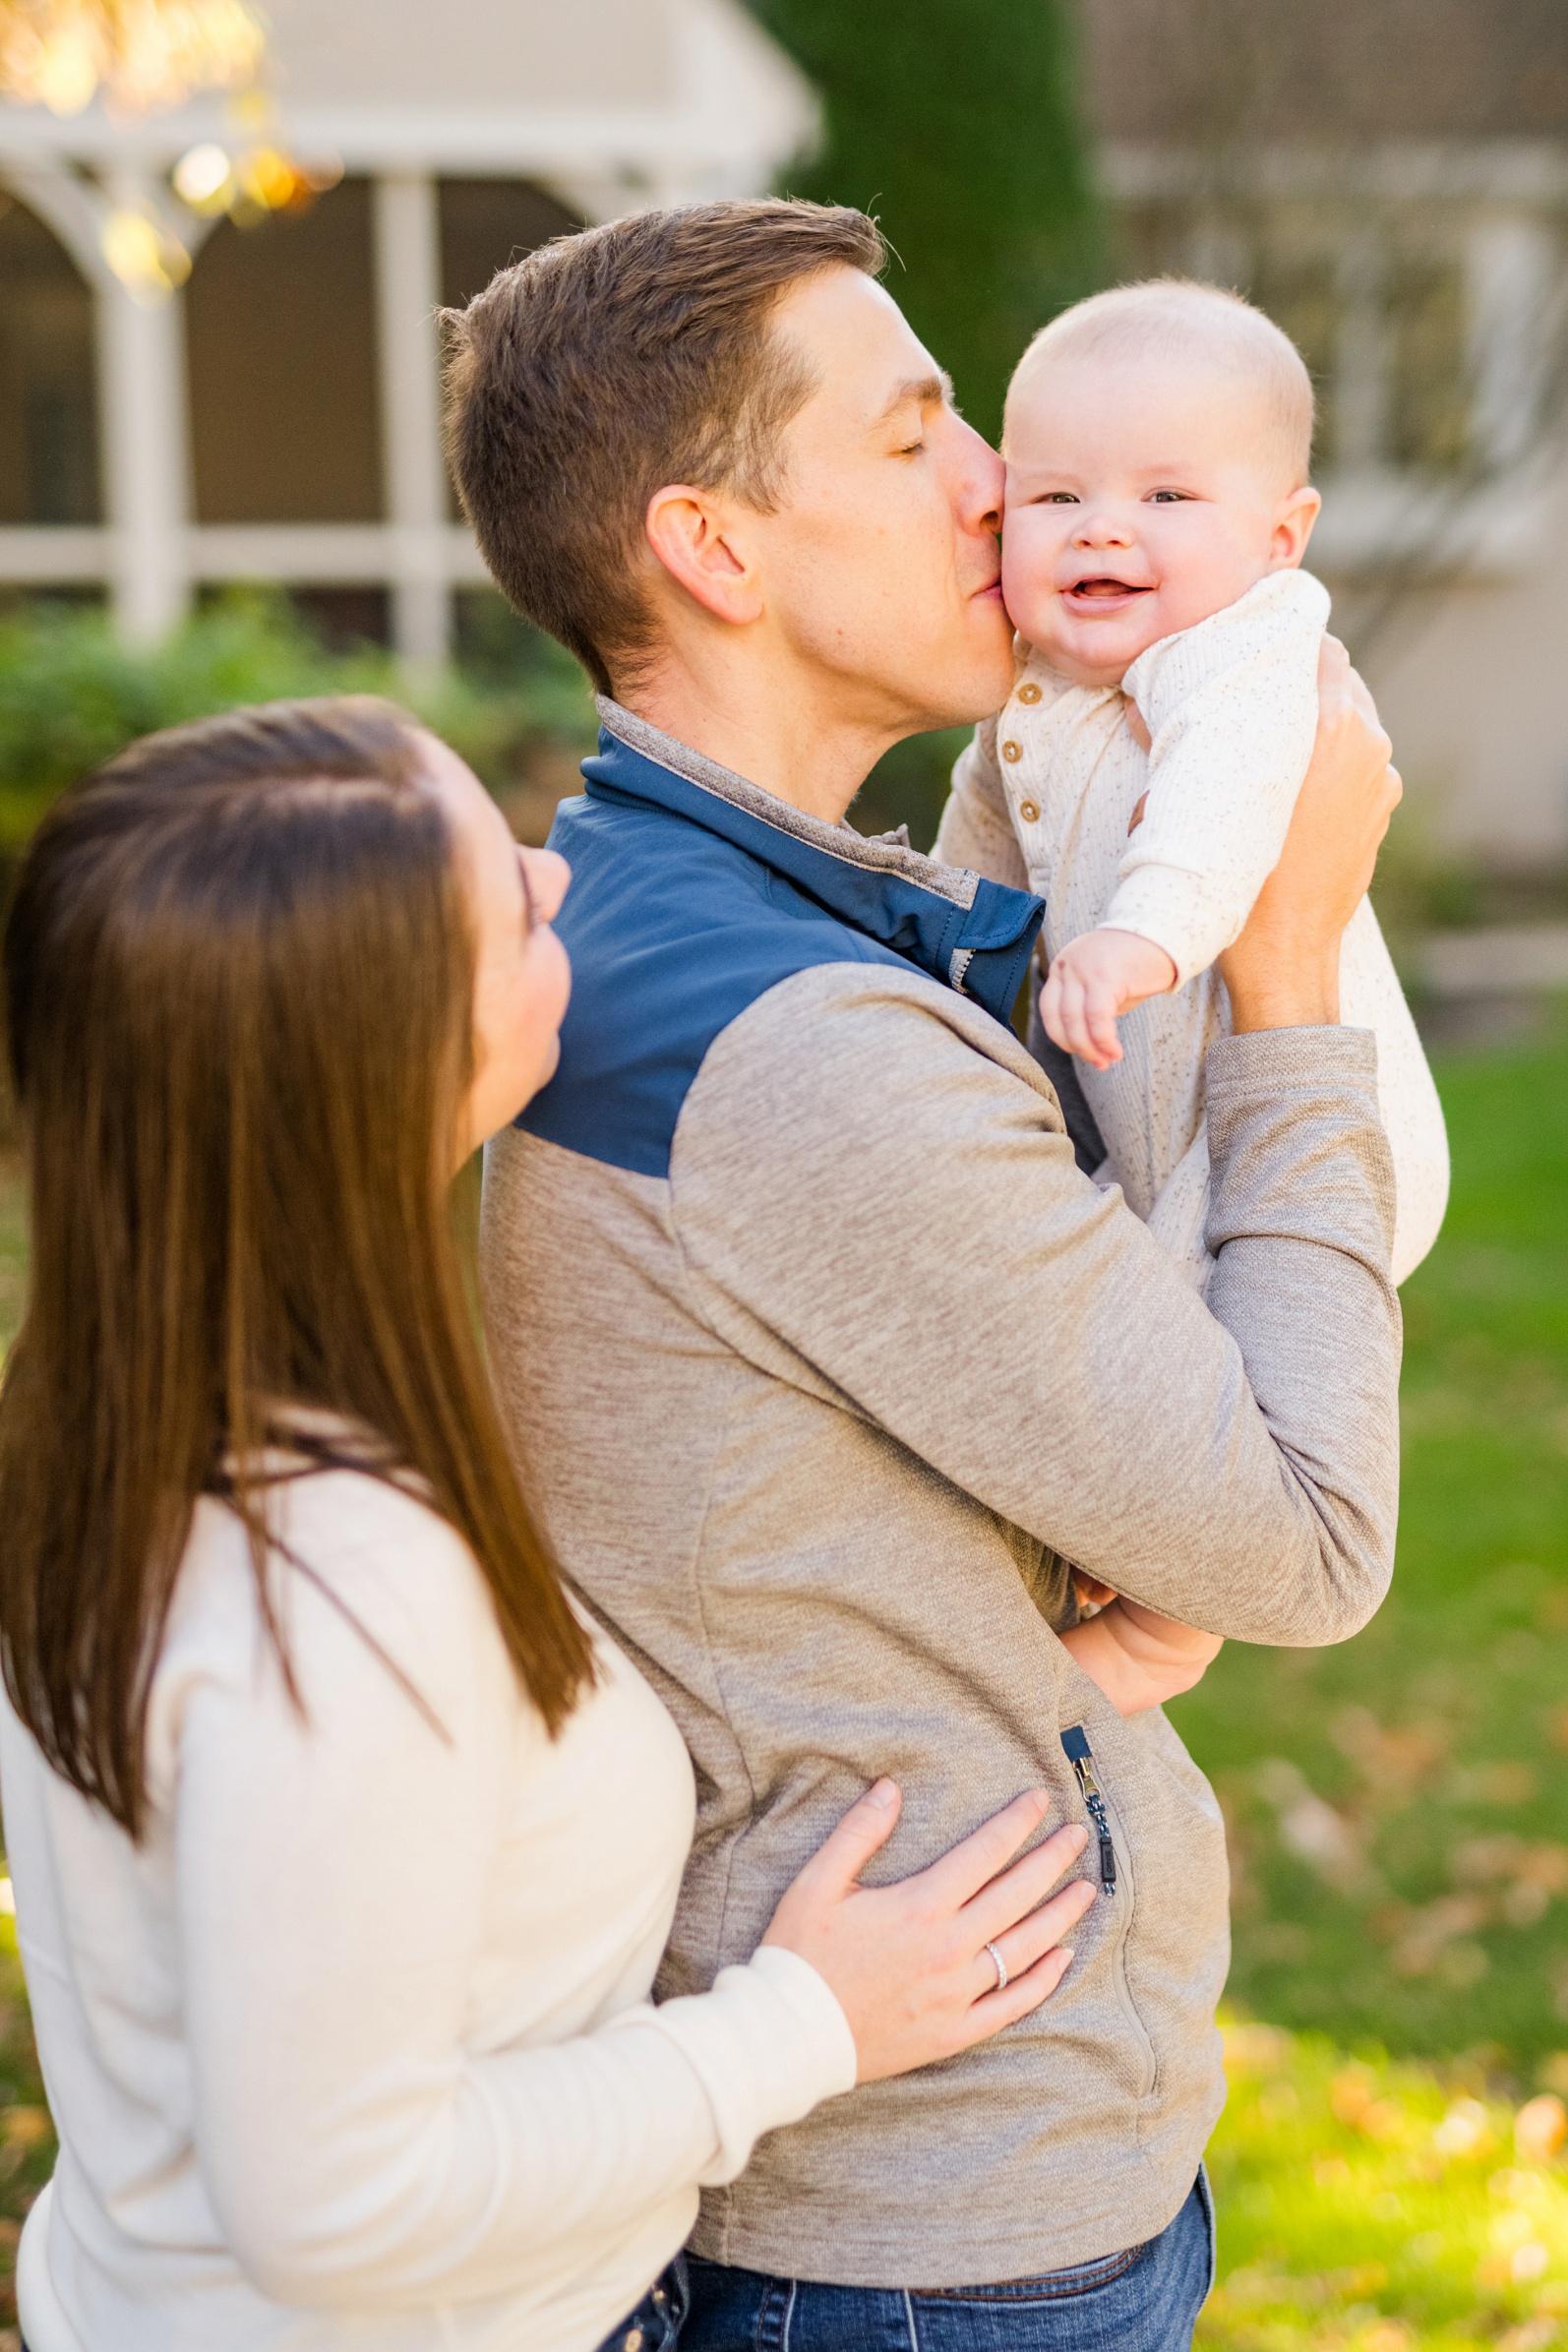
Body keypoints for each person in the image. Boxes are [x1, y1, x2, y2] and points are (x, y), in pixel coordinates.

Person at [447, 197, 1405, 2349]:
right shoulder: (802, 1047)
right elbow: (1310, 1539)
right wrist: (1283, 974)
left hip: (885, 2159)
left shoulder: (679, 905)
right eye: (911, 436)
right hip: (934, 2220)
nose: (995, 484)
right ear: (713, 549)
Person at [0, 695, 1098, 2352]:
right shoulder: (342, 1586)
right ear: (384, 1062)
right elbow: (336, 2202)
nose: (557, 879)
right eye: (505, 904)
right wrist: (800, 2024)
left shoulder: (106, 1420)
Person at [942, 274, 1448, 1293]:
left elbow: (1227, 782)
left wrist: (1143, 934)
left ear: (1279, 538)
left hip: (1304, 1109)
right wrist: (933, 950)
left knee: (1160, 1311)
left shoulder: (1241, 648)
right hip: (1156, 1115)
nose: (1100, 528)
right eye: (1055, 496)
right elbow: (981, 830)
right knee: (1105, 1275)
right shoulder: (1034, 685)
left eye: (1165, 497)